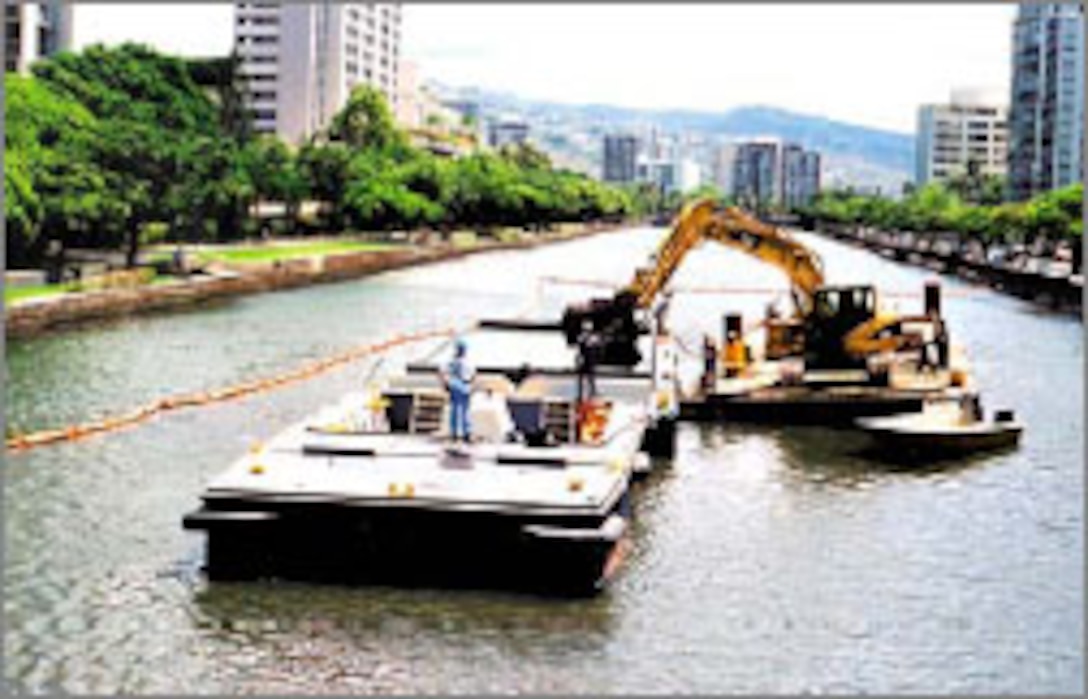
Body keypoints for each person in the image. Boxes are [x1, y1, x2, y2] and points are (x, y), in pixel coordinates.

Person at [441, 338, 476, 443]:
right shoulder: (452, 362)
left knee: (464, 410)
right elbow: (443, 373)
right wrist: (446, 384)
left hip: (464, 385)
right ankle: (456, 433)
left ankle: (465, 433)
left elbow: (473, 375)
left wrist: (472, 385)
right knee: (456, 410)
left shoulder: (466, 362)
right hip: (457, 385)